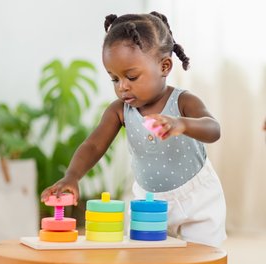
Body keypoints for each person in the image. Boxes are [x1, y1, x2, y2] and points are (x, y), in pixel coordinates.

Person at [41, 11, 226, 247]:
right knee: (145, 257)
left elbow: (213, 129)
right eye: (114, 79)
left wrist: (181, 123)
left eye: (131, 76)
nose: (123, 87)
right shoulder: (119, 111)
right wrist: (72, 176)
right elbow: (94, 144)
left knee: (203, 260)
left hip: (197, 198)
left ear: (165, 66)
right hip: (148, 201)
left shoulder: (183, 102)